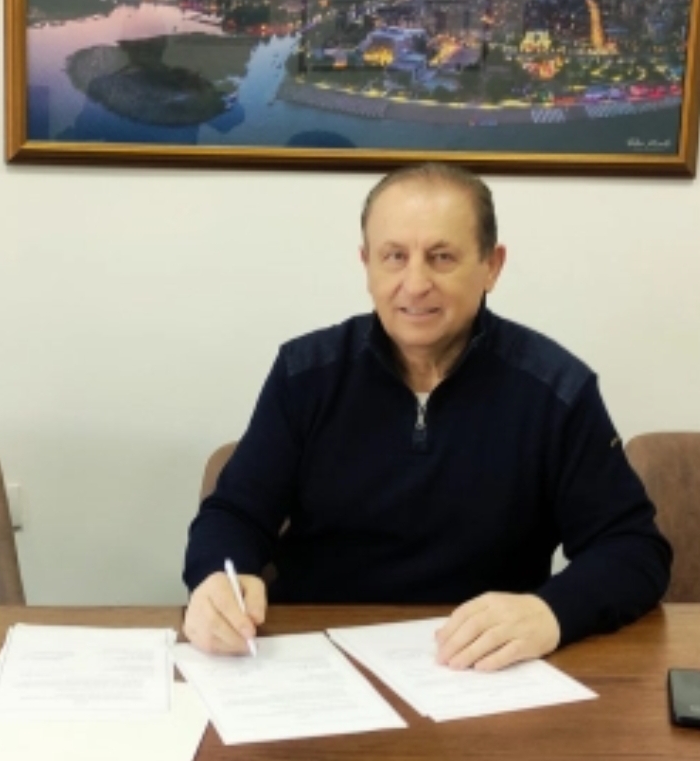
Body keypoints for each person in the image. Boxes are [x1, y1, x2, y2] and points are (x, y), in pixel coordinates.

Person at [182, 163, 671, 671]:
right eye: (394, 257)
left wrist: (552, 611)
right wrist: (216, 578)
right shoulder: (305, 374)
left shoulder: (556, 390)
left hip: (482, 669)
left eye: (441, 257)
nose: (415, 284)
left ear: (491, 266)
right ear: (367, 264)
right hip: (316, 662)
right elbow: (234, 514)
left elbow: (634, 549)